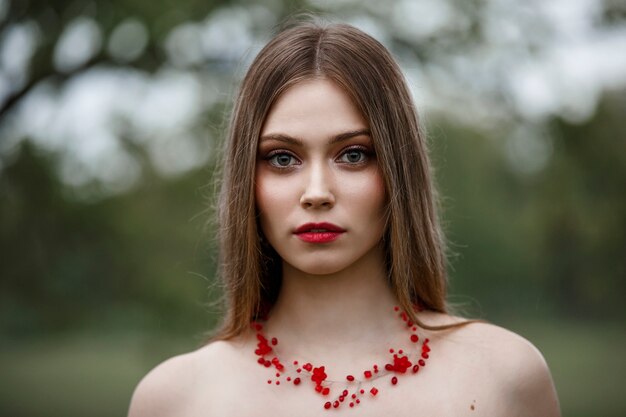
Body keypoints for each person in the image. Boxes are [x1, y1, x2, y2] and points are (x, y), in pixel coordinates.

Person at [128, 20, 560, 416]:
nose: (317, 193)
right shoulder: (174, 398)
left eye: (353, 155)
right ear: (247, 179)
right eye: (282, 158)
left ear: (398, 172)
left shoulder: (504, 377)